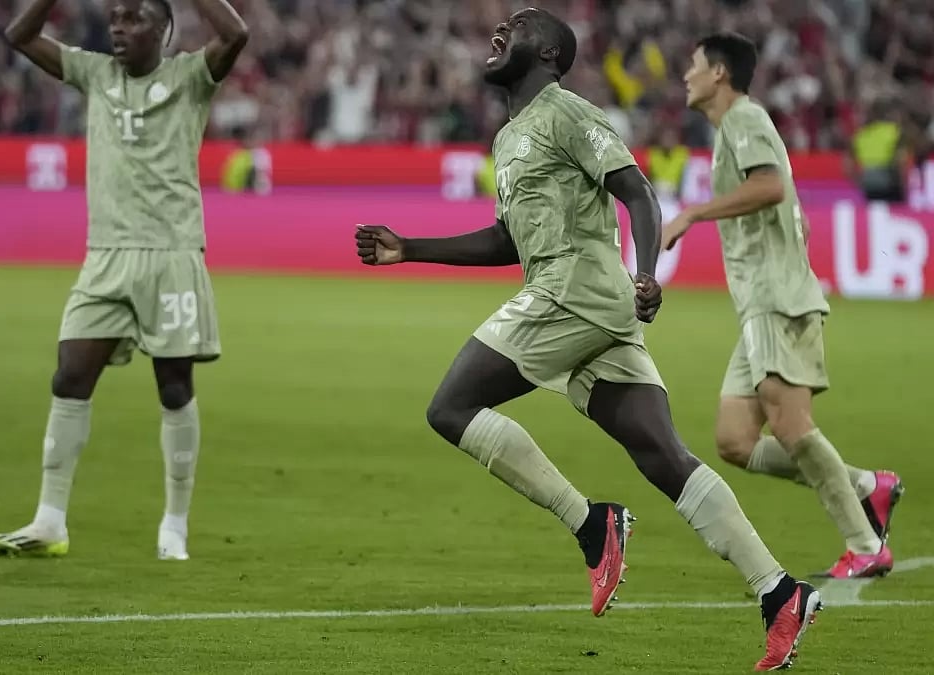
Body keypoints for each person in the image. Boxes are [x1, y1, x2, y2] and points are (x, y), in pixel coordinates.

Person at [355, 10, 819, 671]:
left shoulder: (567, 113)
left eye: (513, 27)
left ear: (544, 52)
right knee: (663, 455)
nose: (496, 33)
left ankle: (590, 522)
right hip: (586, 303)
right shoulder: (510, 137)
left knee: (450, 407)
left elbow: (638, 195)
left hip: (574, 290)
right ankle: (780, 589)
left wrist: (648, 271)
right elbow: (505, 240)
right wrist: (411, 249)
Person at [0, 0, 248, 562]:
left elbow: (235, 33)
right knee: (70, 376)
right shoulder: (94, 72)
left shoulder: (190, 77)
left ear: (163, 29)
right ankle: (49, 520)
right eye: (115, 19)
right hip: (104, 256)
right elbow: (19, 34)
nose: (119, 29)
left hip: (170, 254)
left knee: (174, 388)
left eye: (134, 19)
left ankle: (174, 524)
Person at [664, 32, 902, 580]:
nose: (686, 75)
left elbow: (770, 187)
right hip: (761, 303)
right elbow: (792, 205)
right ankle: (868, 486)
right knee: (735, 440)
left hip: (774, 299)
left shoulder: (744, 119)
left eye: (694, 65)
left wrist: (695, 213)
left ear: (719, 73)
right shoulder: (735, 129)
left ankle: (864, 543)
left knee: (791, 426)